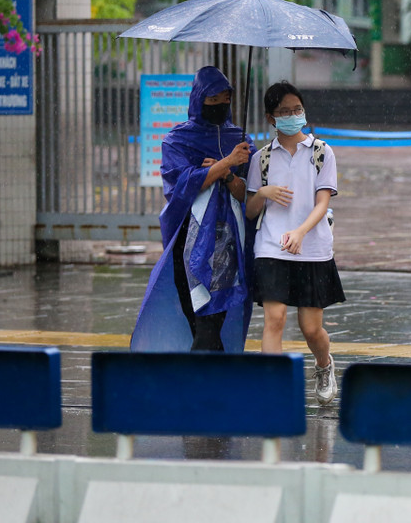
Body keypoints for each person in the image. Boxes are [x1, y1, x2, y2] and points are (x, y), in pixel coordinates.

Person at [131, 66, 256, 353]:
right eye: (213, 100)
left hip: (224, 240)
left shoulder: (240, 140)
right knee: (197, 320)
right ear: (199, 100)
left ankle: (199, 385)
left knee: (210, 323)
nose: (220, 106)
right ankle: (210, 383)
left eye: (225, 99)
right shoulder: (177, 140)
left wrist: (224, 171)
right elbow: (181, 185)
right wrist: (225, 164)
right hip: (186, 240)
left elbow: (245, 193)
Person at [245, 81, 344, 405]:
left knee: (311, 328)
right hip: (272, 245)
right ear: (271, 118)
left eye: (296, 109)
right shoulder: (261, 159)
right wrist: (262, 192)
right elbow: (250, 210)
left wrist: (301, 232)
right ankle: (272, 388)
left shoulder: (321, 152)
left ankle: (324, 365)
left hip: (312, 248)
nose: (292, 116)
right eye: (284, 112)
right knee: (274, 319)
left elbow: (322, 202)